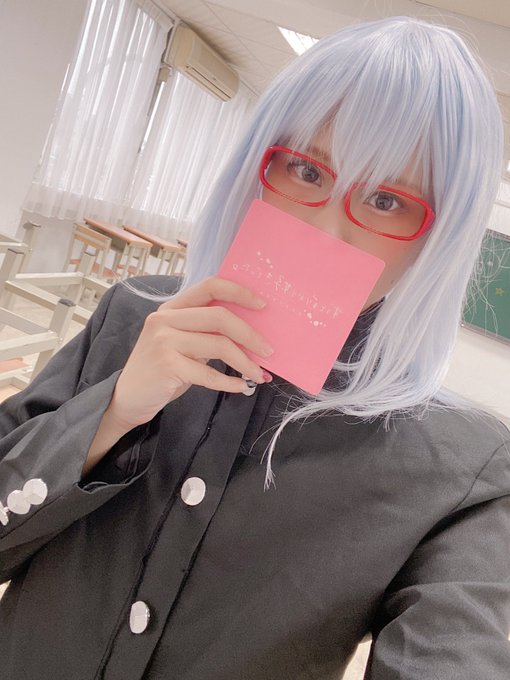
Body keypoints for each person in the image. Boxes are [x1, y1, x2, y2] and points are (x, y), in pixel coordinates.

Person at [1, 14, 509, 680]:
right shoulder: (134, 315)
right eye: (304, 170)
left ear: (437, 241)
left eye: (387, 201)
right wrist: (114, 411)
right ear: (258, 167)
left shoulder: (462, 465)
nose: (325, 227)